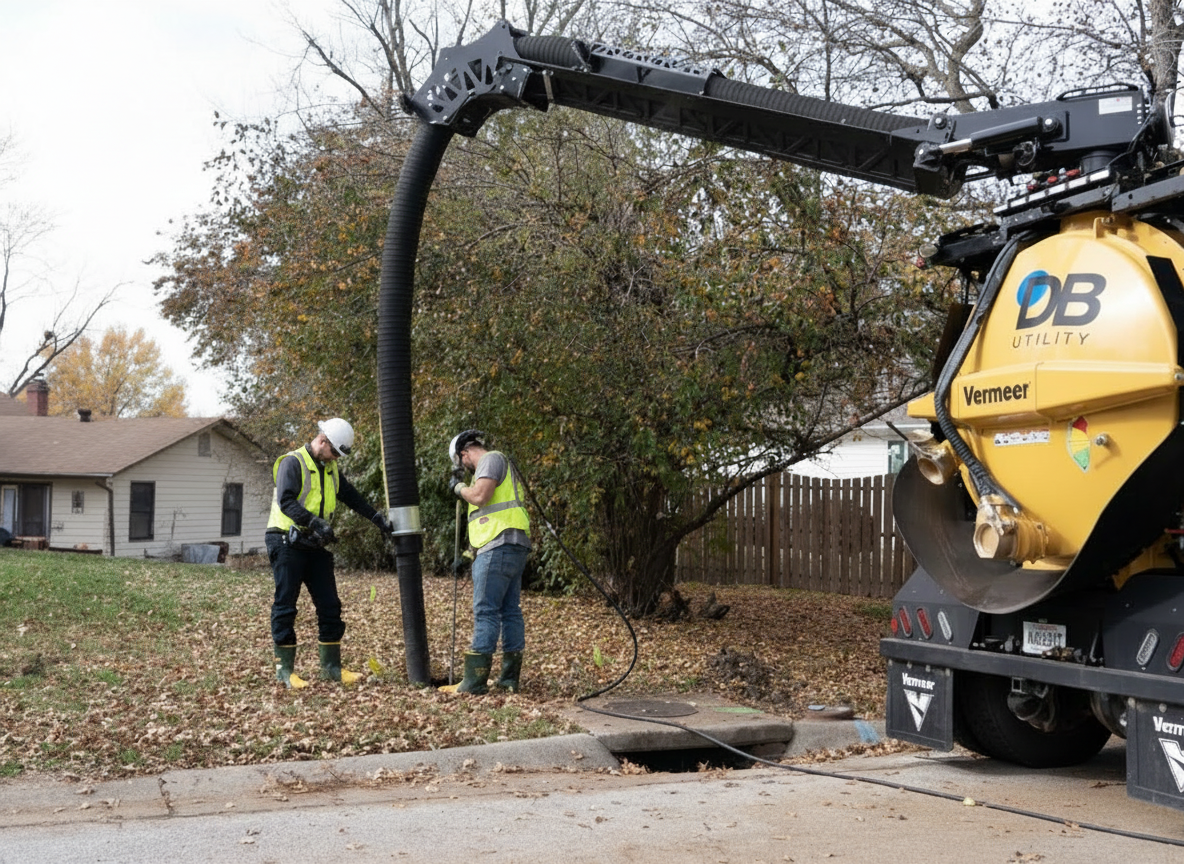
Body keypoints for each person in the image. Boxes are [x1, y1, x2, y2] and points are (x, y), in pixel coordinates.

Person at [265, 417, 393, 688]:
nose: (336, 458)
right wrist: (313, 521)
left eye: (339, 454)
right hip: (286, 540)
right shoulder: (293, 462)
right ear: (322, 441)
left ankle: (332, 667)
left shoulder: (331, 467)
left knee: (330, 604)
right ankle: (284, 671)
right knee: (286, 605)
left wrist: (376, 518)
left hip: (314, 543)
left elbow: (351, 496)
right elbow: (286, 501)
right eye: (334, 451)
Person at [441, 429, 530, 694]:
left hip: (498, 546)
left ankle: (474, 682)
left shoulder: (490, 460)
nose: (465, 469)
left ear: (464, 454)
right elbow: (486, 518)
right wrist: (469, 554)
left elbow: (480, 497)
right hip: (513, 545)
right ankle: (509, 680)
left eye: (462, 464)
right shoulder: (499, 463)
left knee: (486, 611)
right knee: (510, 610)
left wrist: (458, 487)